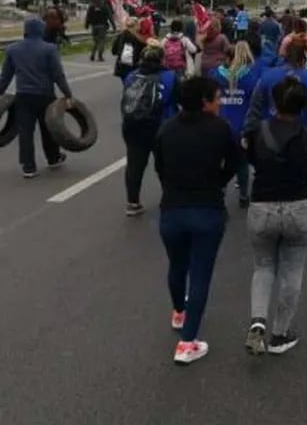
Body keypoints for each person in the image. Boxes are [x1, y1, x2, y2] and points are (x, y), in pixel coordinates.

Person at [154, 76, 242, 365]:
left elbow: (160, 167)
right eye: (217, 98)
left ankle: (179, 312)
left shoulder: (166, 129)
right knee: (200, 273)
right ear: (205, 101)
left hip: (172, 208)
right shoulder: (221, 129)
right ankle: (187, 342)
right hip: (207, 208)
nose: (219, 103)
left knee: (177, 265)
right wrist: (218, 180)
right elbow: (236, 161)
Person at [243, 76, 307, 355]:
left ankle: (257, 322)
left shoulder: (257, 132)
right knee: (292, 269)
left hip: (262, 205)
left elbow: (252, 160)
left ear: (274, 102)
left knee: (263, 266)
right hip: (298, 205)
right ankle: (280, 332)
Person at [0, 17, 71, 178]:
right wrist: (68, 94)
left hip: (23, 96)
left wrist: (0, 93)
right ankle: (53, 158)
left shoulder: (12, 49)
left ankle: (28, 167)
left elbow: (5, 77)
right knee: (49, 128)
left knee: (25, 132)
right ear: (41, 30)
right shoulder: (49, 49)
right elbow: (58, 75)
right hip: (45, 95)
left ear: (25, 31)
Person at [120, 44, 179, 215]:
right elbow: (180, 99)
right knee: (165, 165)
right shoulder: (170, 77)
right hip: (161, 127)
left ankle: (132, 202)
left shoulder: (131, 77)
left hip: (133, 127)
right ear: (162, 59)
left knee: (134, 165)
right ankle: (168, 199)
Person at [212, 42, 262, 208]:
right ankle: (243, 196)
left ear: (227, 57)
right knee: (241, 163)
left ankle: (219, 191)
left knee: (220, 162)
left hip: (220, 124)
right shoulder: (250, 76)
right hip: (241, 126)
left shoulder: (215, 75)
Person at [244, 40, 307, 139]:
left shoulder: (267, 76)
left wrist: (248, 133)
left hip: (271, 134)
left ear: (284, 57)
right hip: (302, 135)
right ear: (303, 59)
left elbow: (255, 108)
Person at [112, 18, 147, 85]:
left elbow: (114, 51)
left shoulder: (120, 36)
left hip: (121, 66)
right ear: (136, 25)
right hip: (134, 67)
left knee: (126, 85)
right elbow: (145, 52)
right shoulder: (138, 39)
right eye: (139, 25)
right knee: (133, 87)